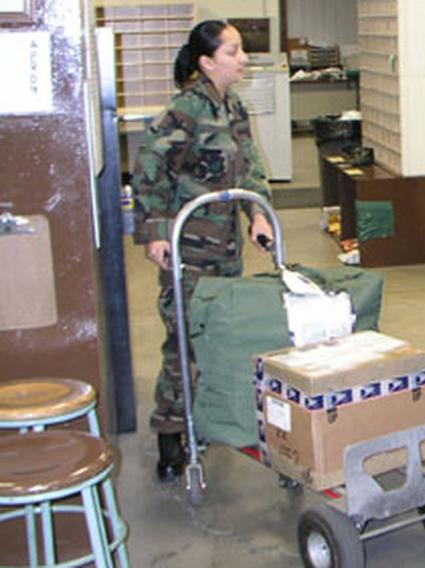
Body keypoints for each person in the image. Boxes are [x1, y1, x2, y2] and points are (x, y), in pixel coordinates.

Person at [131, 20, 274, 482]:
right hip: (187, 250)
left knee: (216, 337)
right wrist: (154, 233)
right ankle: (171, 433)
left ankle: (206, 421)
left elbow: (250, 165)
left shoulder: (233, 107)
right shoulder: (184, 111)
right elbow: (149, 172)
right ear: (207, 62)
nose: (243, 59)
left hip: (226, 250)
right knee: (185, 342)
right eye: (233, 52)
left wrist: (257, 213)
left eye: (241, 51)